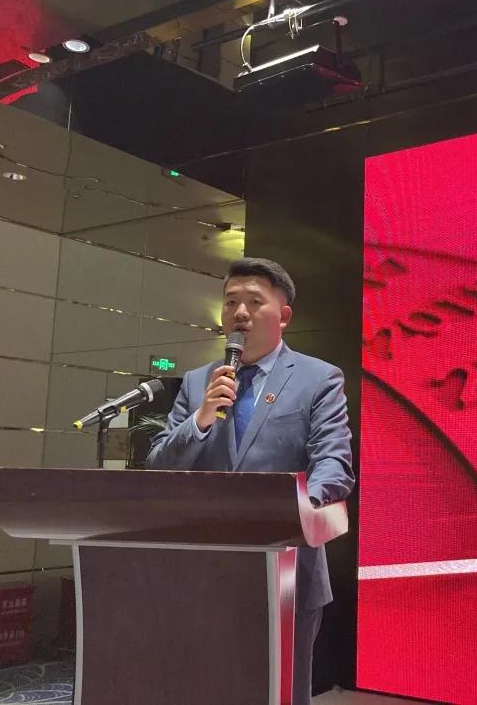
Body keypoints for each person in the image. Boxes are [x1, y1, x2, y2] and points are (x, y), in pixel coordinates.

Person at [146, 257, 355, 705]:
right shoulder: (199, 383)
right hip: (205, 570)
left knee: (282, 689)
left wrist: (291, 513)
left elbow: (334, 464)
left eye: (254, 302)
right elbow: (159, 464)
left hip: (288, 570)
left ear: (284, 315)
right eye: (230, 302)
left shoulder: (319, 378)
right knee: (207, 686)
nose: (239, 313)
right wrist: (201, 419)